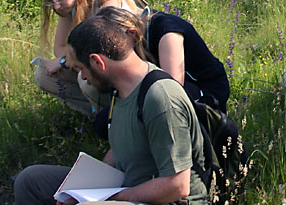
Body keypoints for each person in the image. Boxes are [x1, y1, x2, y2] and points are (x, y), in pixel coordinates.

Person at [14, 14, 209, 205]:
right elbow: (121, 148)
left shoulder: (161, 97)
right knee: (30, 181)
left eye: (81, 69)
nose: (82, 77)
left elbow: (177, 186)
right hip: (128, 184)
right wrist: (85, 189)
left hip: (168, 199)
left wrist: (107, 198)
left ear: (98, 62)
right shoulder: (120, 90)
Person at [33, 0, 146, 115]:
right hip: (96, 63)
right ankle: (100, 114)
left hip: (125, 63)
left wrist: (64, 61)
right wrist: (70, 60)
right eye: (50, 2)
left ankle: (121, 117)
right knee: (43, 75)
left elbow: (103, 40)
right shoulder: (67, 7)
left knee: (85, 80)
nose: (56, 7)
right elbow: (59, 48)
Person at [96, 6, 230, 113]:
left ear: (130, 33)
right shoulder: (137, 36)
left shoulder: (167, 33)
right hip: (168, 86)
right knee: (104, 122)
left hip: (206, 90)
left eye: (115, 45)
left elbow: (172, 89)